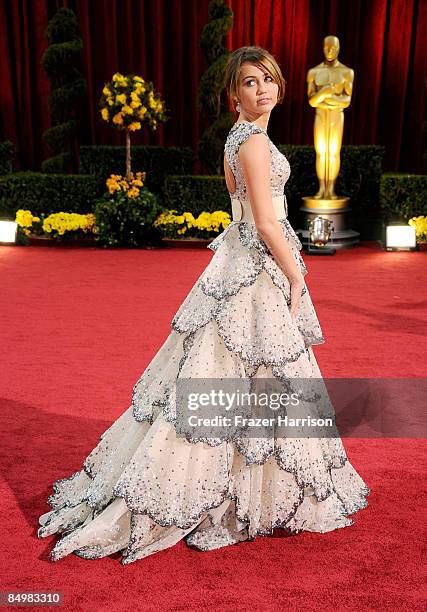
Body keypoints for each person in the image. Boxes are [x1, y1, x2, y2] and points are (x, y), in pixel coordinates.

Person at [37, 46, 370, 565]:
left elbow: (245, 213)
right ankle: (234, 492)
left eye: (268, 80)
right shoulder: (254, 142)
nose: (262, 90)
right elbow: (263, 222)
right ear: (233, 94)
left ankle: (243, 483)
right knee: (259, 374)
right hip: (256, 266)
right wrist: (296, 275)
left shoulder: (238, 139)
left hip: (237, 263)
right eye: (249, 83)